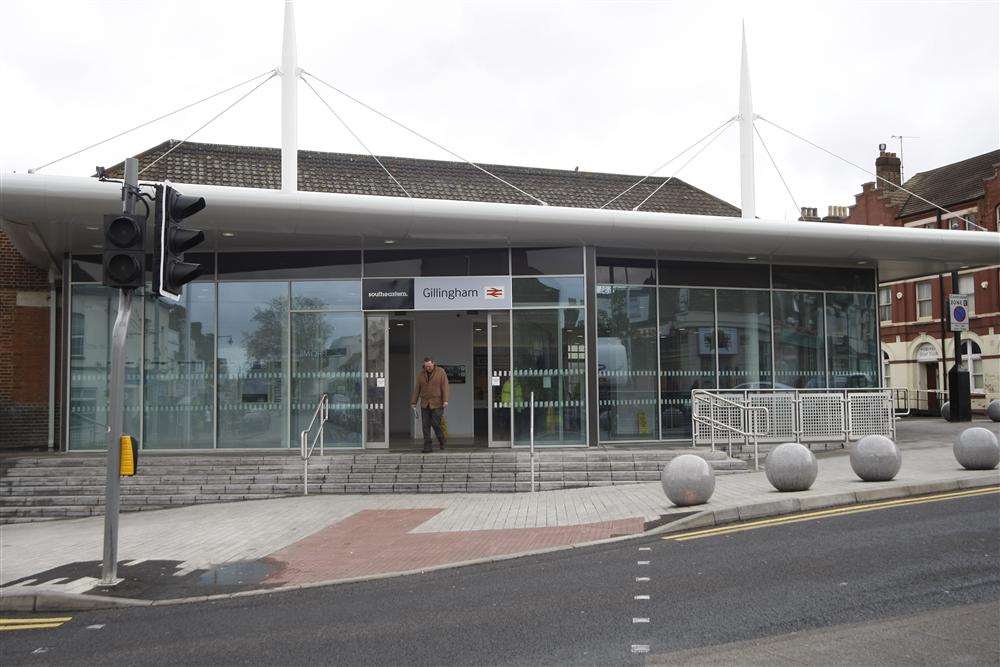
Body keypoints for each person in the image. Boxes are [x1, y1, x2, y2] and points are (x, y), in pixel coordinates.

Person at [410, 356, 449, 453]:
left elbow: (445, 387)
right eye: (426, 366)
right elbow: (417, 389)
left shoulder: (441, 372)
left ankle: (441, 439)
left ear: (433, 363)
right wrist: (413, 402)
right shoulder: (421, 375)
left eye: (429, 366)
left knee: (436, 423)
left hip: (437, 403)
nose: (428, 368)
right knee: (425, 425)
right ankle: (427, 446)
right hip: (425, 403)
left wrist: (445, 400)